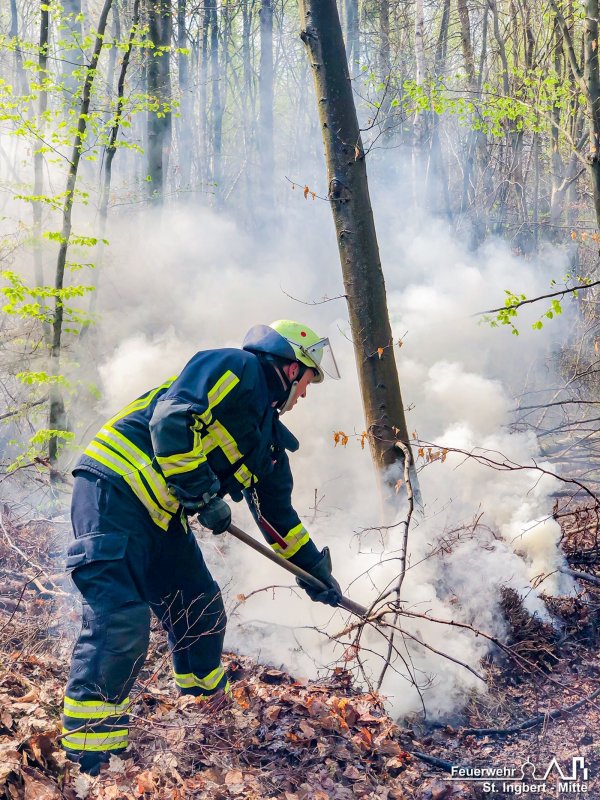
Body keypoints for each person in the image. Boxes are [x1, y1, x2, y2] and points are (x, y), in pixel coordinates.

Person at [61, 320, 343, 774]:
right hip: (113, 492)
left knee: (201, 609)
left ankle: (203, 712)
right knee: (120, 620)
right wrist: (203, 494)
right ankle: (87, 757)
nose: (306, 395)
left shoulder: (268, 444)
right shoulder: (237, 366)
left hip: (161, 516)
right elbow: (172, 418)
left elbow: (278, 519)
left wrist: (314, 572)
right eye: (309, 380)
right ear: (292, 367)